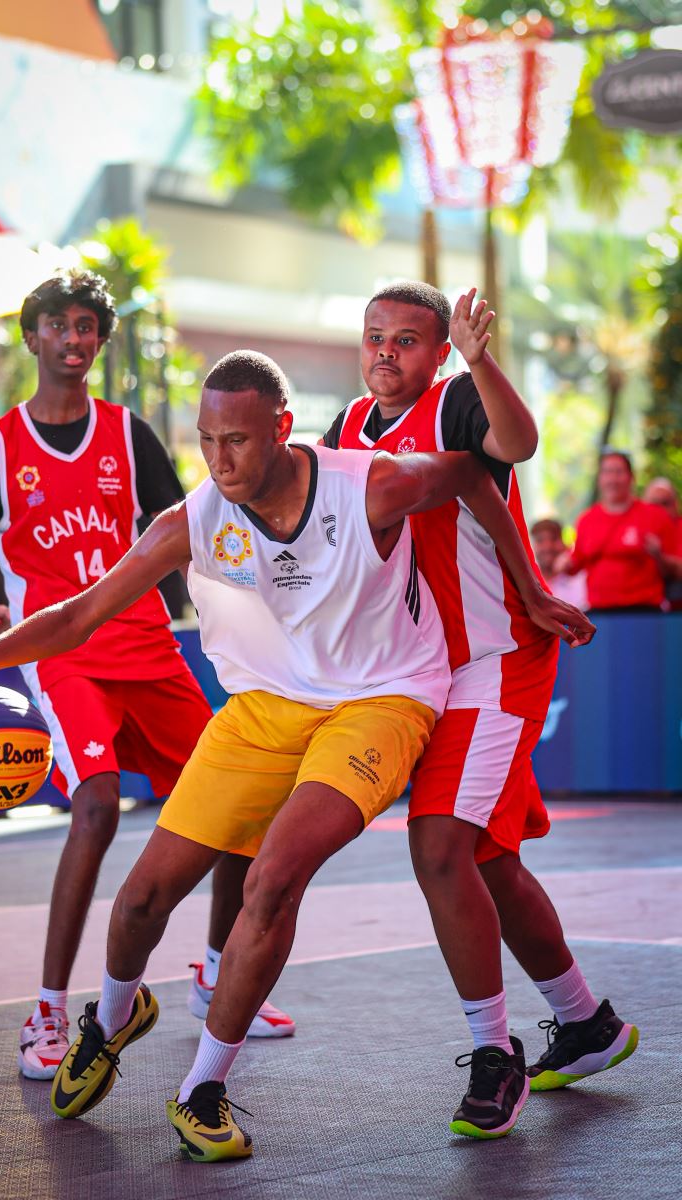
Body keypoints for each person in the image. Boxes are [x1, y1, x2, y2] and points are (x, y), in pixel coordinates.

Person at [0, 350, 593, 1160]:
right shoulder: (197, 517)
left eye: (235, 439)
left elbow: (475, 475)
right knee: (140, 902)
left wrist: (529, 586)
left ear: (282, 428)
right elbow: (77, 616)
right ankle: (113, 1016)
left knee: (274, 878)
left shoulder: (368, 484)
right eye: (206, 441)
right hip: (265, 709)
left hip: (382, 702)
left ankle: (202, 1087)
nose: (219, 460)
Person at [0, 275, 294, 1086]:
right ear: (31, 337)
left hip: (150, 648)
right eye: (57, 324)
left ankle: (209, 970)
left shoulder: (131, 437)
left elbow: (203, 526)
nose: (72, 338)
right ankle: (51, 1008)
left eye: (86, 326)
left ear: (99, 340)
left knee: (242, 806)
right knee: (94, 807)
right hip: (65, 655)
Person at [322, 283, 637, 1138]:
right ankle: (585, 1023)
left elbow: (521, 444)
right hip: (427, 673)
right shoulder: (346, 430)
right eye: (375, 337)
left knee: (438, 848)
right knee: (488, 859)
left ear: (435, 351)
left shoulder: (457, 399)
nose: (389, 353)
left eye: (409, 341)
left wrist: (477, 356)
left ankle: (494, 1057)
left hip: (497, 660)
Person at [566, 450, 677, 612]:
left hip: (644, 611)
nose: (613, 479)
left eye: (618, 472)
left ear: (631, 477)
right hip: (599, 613)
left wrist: (658, 556)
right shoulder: (586, 519)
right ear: (600, 479)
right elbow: (575, 564)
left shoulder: (655, 516)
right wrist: (564, 563)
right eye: (607, 472)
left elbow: (676, 569)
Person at [529, 518, 588, 609]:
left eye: (553, 539)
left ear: (565, 542)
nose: (547, 547)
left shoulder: (580, 579)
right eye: (540, 540)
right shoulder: (527, 582)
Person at [642, 476, 682, 610]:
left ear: (676, 504)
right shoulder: (638, 529)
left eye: (665, 503)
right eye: (654, 504)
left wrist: (659, 557)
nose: (659, 510)